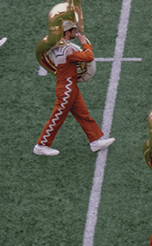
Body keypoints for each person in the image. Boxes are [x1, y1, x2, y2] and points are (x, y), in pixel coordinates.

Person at [33, 19, 115, 156]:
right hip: (66, 90)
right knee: (57, 117)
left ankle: (95, 141)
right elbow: (88, 57)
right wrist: (84, 42)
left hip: (69, 87)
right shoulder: (68, 49)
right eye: (74, 31)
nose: (77, 33)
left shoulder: (55, 48)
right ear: (67, 32)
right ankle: (41, 145)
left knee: (83, 114)